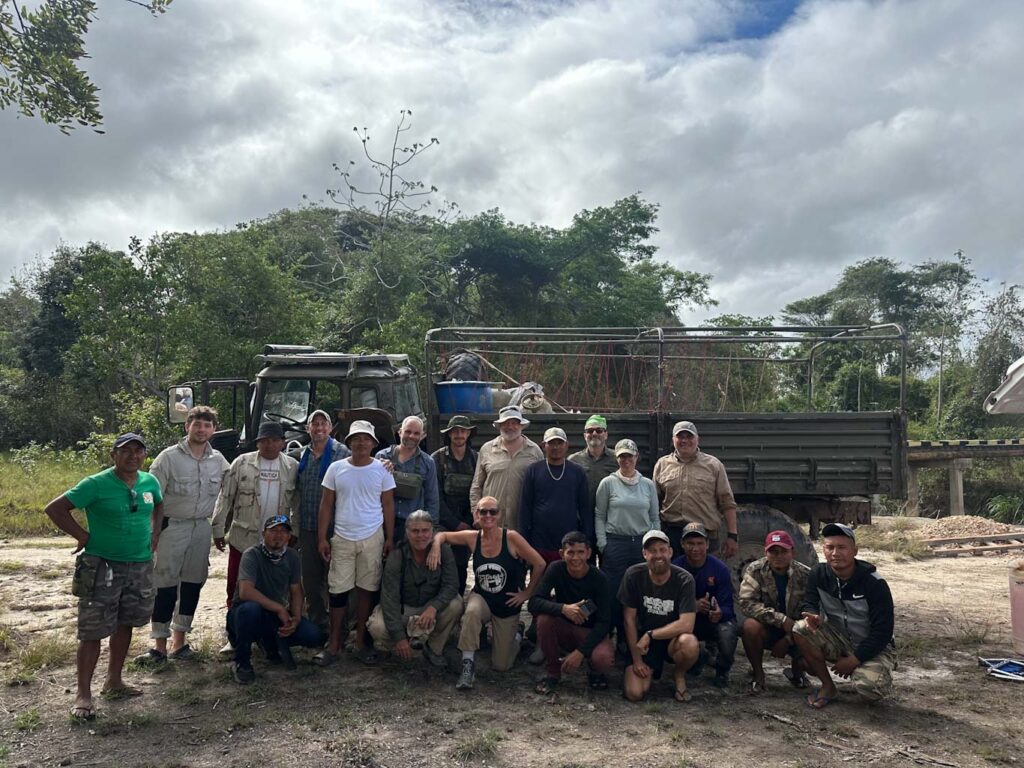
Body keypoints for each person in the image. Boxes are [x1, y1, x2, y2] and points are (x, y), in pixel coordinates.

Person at [44, 433, 164, 721]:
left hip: (139, 565)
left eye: (138, 450)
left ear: (144, 455)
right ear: (114, 455)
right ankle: (83, 695)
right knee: (93, 630)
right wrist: (83, 536)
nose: (132, 455)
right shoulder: (95, 484)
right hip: (101, 565)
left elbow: (159, 505)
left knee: (126, 622)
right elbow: (55, 508)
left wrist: (156, 532)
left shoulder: (150, 481)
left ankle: (114, 680)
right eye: (125, 451)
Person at [136, 406, 229, 666]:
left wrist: (220, 528)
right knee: (164, 584)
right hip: (171, 526)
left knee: (192, 583)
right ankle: (159, 646)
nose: (201, 430)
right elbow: (151, 497)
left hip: (201, 528)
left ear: (214, 429)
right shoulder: (168, 458)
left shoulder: (219, 460)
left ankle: (180, 642)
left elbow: (232, 490)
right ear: (186, 426)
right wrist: (151, 531)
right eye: (196, 424)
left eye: (207, 425)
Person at [428, 496, 547, 690]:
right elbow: (442, 535)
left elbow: (539, 563)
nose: (488, 515)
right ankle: (468, 665)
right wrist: (435, 548)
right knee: (472, 610)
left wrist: (526, 593)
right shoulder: (473, 537)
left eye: (493, 511)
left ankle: (516, 634)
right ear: (477, 514)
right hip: (482, 597)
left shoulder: (511, 538)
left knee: (501, 665)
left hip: (507, 603)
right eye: (483, 511)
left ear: (500, 514)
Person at [316, 420, 396, 666]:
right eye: (356, 439)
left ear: (373, 443)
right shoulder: (336, 468)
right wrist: (322, 538)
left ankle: (360, 641)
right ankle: (334, 643)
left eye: (366, 439)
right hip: (342, 536)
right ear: (349, 442)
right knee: (338, 592)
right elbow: (327, 504)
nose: (361, 443)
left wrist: (390, 537)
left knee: (366, 590)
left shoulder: (382, 470)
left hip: (372, 536)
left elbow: (388, 504)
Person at [793, 523, 896, 708]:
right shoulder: (818, 573)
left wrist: (854, 660)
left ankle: (870, 672)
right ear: (823, 549)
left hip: (873, 646)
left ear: (855, 550)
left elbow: (883, 631)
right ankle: (828, 686)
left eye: (842, 547)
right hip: (839, 640)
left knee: (870, 689)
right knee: (800, 628)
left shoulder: (874, 583)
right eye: (829, 547)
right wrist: (813, 616)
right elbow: (810, 602)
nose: (835, 553)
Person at [227, 516, 324, 684]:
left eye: (283, 531)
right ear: (264, 533)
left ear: (289, 537)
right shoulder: (252, 554)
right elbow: (245, 592)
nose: (278, 535)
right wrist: (279, 609)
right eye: (273, 530)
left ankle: (269, 642)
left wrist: (296, 618)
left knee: (314, 635)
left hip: (274, 616)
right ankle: (241, 662)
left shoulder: (292, 556)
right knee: (251, 610)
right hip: (245, 613)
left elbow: (296, 590)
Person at [212, 421, 298, 609]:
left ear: (283, 443)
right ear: (257, 443)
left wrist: (295, 533)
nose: (270, 444)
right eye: (265, 440)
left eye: (275, 440)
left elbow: (296, 504)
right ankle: (234, 628)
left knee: (272, 585)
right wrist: (218, 529)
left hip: (276, 540)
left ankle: (268, 630)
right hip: (243, 536)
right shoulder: (242, 463)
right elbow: (225, 496)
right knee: (236, 584)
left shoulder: (292, 467)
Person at [368, 510, 463, 665]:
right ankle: (398, 645)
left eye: (425, 531)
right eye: (415, 531)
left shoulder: (443, 551)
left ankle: (433, 648)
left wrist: (434, 607)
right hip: (403, 610)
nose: (420, 536)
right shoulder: (397, 556)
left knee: (456, 604)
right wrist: (399, 637)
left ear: (432, 531)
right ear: (407, 533)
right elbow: (390, 599)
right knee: (377, 627)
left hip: (429, 608)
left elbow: (451, 585)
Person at [528, 531, 614, 694]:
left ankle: (594, 671)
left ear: (588, 553)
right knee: (544, 619)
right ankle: (553, 672)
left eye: (581, 552)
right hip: (565, 626)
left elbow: (605, 622)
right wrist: (564, 609)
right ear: (562, 554)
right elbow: (534, 602)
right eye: (571, 552)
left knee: (603, 659)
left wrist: (580, 653)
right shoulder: (555, 569)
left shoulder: (600, 578)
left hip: (590, 631)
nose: (576, 558)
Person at [619, 530, 699, 703]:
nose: (658, 555)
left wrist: (651, 634)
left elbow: (687, 624)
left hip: (672, 639)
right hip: (643, 644)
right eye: (652, 551)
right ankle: (650, 669)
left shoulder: (685, 580)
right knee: (635, 693)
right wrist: (637, 659)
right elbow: (629, 620)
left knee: (689, 642)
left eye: (662, 550)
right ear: (644, 554)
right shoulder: (632, 575)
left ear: (670, 552)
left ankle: (679, 675)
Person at [594, 438, 659, 645]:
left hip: (640, 543)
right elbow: (599, 515)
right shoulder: (608, 483)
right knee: (613, 591)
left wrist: (654, 545)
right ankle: (612, 632)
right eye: (622, 456)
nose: (626, 460)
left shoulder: (648, 485)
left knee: (640, 591)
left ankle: (633, 636)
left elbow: (655, 517)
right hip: (616, 543)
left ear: (636, 457)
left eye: (629, 456)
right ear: (617, 458)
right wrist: (603, 544)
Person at [294, 409, 350, 634]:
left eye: (323, 424)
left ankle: (340, 627)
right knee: (310, 577)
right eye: (314, 424)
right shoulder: (302, 455)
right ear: (308, 429)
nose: (318, 428)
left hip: (334, 527)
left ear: (330, 428)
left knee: (335, 578)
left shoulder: (342, 452)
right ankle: (318, 623)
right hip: (307, 526)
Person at [738, 530, 812, 695]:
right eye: (773, 551)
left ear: (793, 552)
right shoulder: (755, 570)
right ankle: (758, 675)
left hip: (798, 631)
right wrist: (780, 619)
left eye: (784, 551)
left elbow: (812, 611)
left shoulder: (806, 574)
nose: (778, 556)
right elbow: (746, 603)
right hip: (770, 628)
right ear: (766, 552)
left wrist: (789, 637)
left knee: (811, 664)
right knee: (749, 626)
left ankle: (798, 672)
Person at [652, 420, 739, 560]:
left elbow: (727, 502)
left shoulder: (714, 465)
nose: (684, 440)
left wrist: (732, 536)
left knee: (707, 579)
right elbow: (654, 502)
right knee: (673, 578)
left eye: (689, 436)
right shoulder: (662, 465)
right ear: (673, 440)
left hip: (705, 536)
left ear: (698, 440)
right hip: (673, 534)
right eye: (680, 437)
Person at [671, 522, 738, 689]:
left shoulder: (720, 569)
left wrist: (719, 612)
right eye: (690, 543)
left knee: (728, 631)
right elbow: (668, 603)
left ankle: (722, 669)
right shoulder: (675, 568)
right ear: (682, 544)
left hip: (712, 621)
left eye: (700, 543)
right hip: (686, 621)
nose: (695, 548)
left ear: (707, 544)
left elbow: (729, 606)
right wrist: (691, 606)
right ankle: (698, 659)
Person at [519, 427, 591, 563]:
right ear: (543, 446)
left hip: (569, 542)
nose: (556, 447)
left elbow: (584, 508)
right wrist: (524, 539)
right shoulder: (533, 470)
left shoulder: (577, 472)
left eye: (559, 443)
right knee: (540, 581)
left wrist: (586, 539)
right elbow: (525, 507)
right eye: (551, 443)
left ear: (567, 445)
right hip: (539, 540)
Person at [469, 406, 543, 531]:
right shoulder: (487, 449)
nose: (510, 427)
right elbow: (476, 486)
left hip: (523, 523)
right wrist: (476, 514)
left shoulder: (534, 451)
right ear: (499, 426)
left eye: (514, 423)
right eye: (505, 423)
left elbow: (541, 488)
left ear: (521, 425)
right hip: (491, 521)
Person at [431, 415, 478, 594]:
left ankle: (458, 602)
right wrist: (455, 524)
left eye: (463, 431)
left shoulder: (477, 459)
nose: (459, 434)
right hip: (443, 522)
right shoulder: (437, 459)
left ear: (469, 434)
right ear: (449, 434)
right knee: (440, 562)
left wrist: (468, 522)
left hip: (468, 521)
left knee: (461, 565)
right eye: (455, 431)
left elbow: (478, 492)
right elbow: (435, 496)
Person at [376, 415, 439, 542]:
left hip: (413, 528)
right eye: (408, 432)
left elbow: (432, 499)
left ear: (422, 435)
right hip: (383, 524)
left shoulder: (428, 462)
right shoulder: (382, 457)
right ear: (399, 432)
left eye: (416, 433)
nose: (411, 436)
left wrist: (431, 529)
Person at [568, 414, 618, 522]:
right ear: (585, 435)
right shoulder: (573, 460)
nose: (594, 434)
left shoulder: (617, 459)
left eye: (599, 430)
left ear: (606, 434)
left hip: (610, 518)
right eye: (590, 431)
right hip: (581, 519)